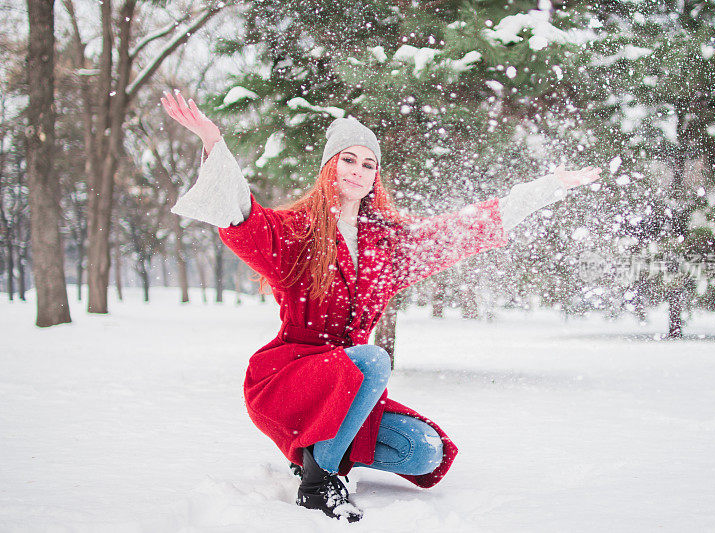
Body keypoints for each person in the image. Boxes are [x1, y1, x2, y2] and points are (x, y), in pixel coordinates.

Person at [160, 89, 601, 522]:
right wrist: (213, 143)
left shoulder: (388, 243)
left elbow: (466, 230)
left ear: (376, 175)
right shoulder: (297, 231)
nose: (358, 170)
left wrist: (550, 187)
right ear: (329, 167)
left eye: (368, 163)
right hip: (292, 377)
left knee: (423, 452)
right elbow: (242, 217)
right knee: (374, 358)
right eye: (348, 159)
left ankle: (322, 448)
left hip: (354, 389)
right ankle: (318, 482)